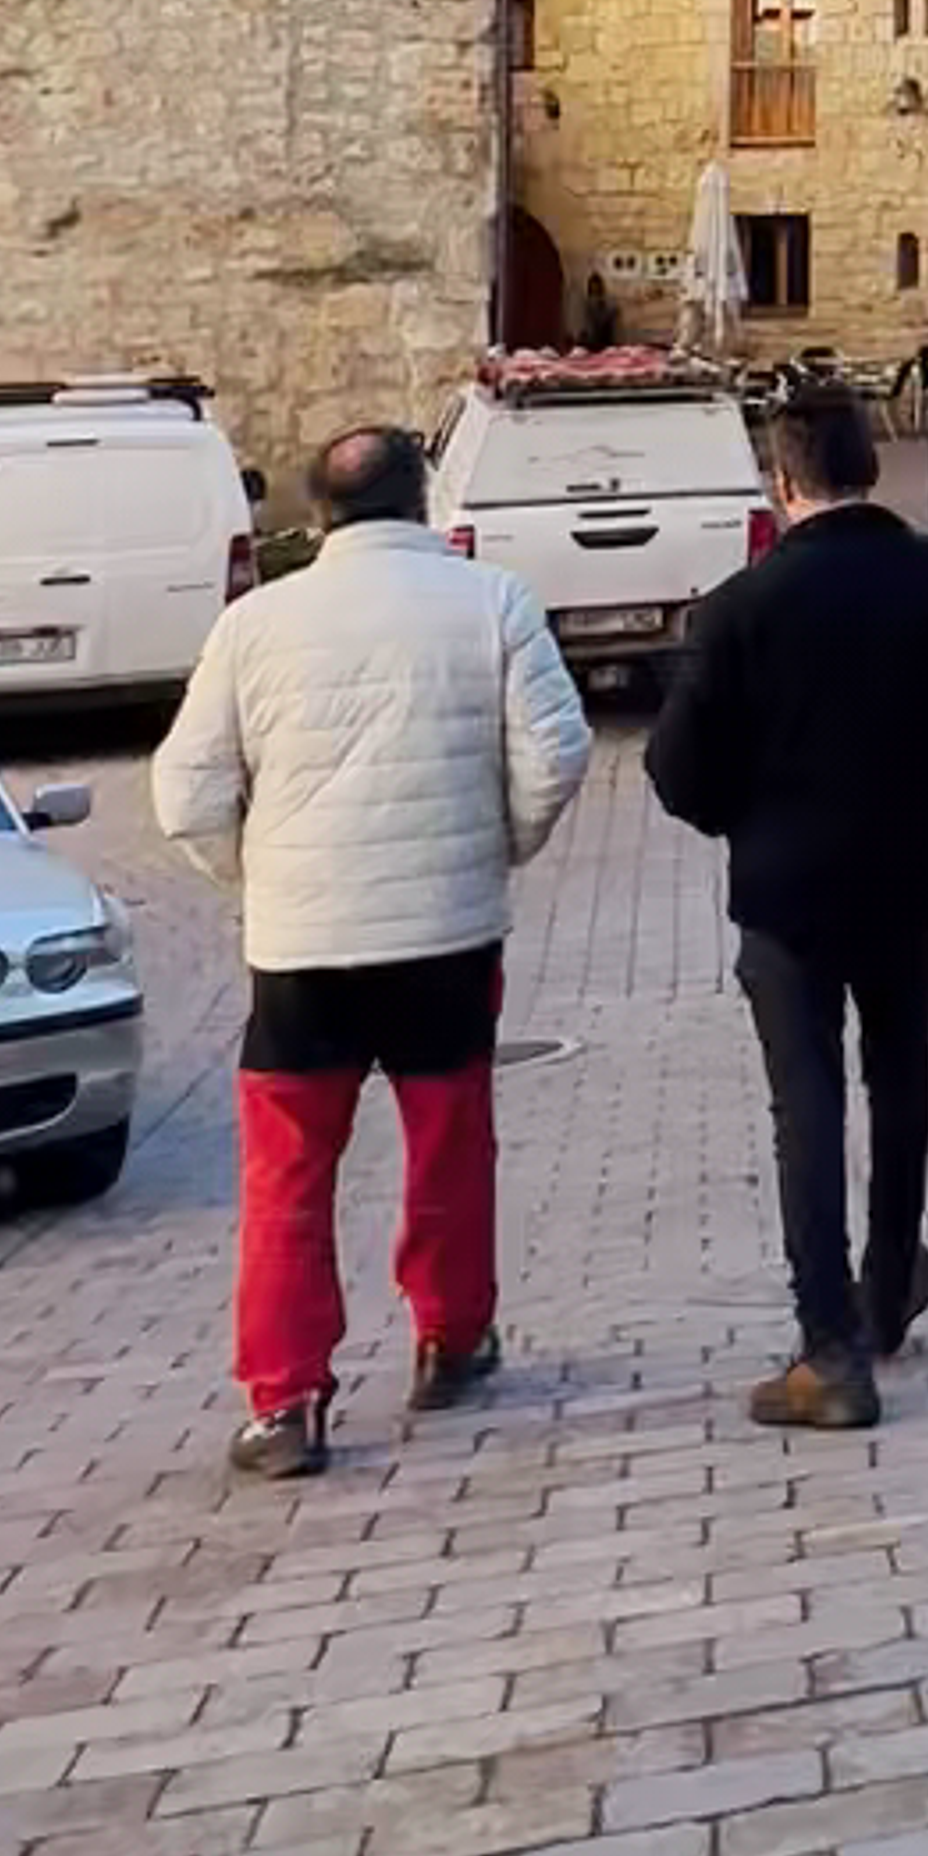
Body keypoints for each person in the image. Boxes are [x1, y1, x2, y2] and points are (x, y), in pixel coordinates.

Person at [152, 422, 592, 1484]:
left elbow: (186, 789)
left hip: (302, 947)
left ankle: (285, 1396)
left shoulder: (253, 624)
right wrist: (500, 845)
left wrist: (258, 876)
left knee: (288, 1173)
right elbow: (558, 751)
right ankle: (451, 1336)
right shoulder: (492, 603)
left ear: (317, 512)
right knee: (450, 1144)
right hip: (445, 931)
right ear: (424, 497)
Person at [643, 378, 928, 1432]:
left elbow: (678, 771)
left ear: (782, 481)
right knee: (901, 1074)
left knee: (807, 1100)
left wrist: (747, 813)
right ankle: (888, 1287)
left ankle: (828, 1346)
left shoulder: (739, 608)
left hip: (786, 888)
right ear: (871, 467)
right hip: (913, 870)